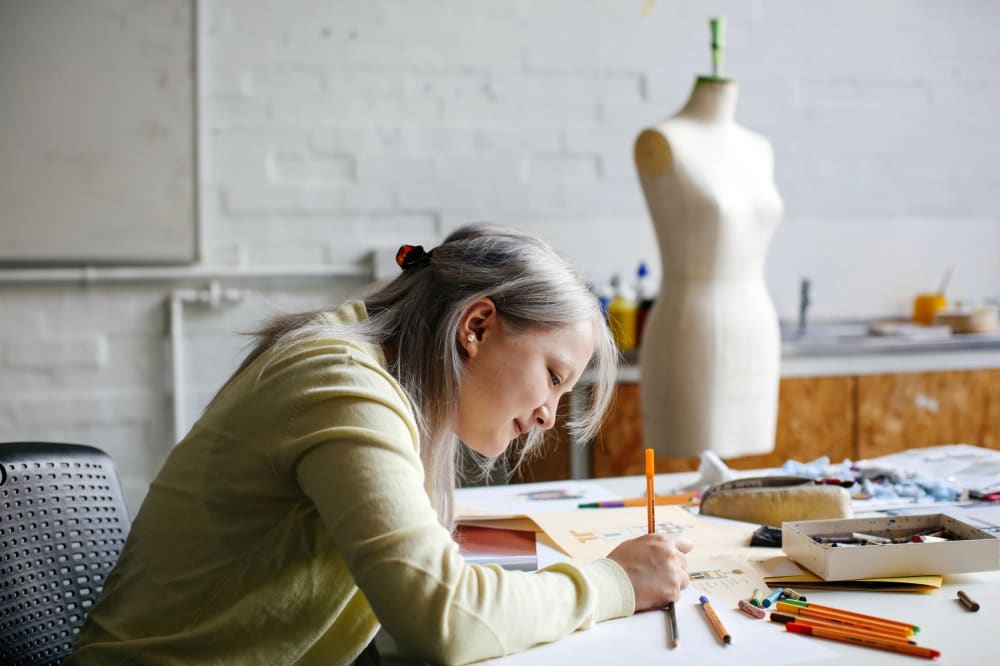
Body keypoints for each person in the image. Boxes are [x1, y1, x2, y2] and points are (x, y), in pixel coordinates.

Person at [66, 224, 692, 665]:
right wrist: (615, 583)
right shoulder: (341, 384)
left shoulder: (363, 368)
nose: (550, 416)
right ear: (476, 326)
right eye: (553, 377)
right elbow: (442, 620)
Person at [634, 75, 784, 459]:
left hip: (757, 325)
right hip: (693, 325)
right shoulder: (663, 140)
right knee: (690, 464)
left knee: (738, 470)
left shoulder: (759, 148)